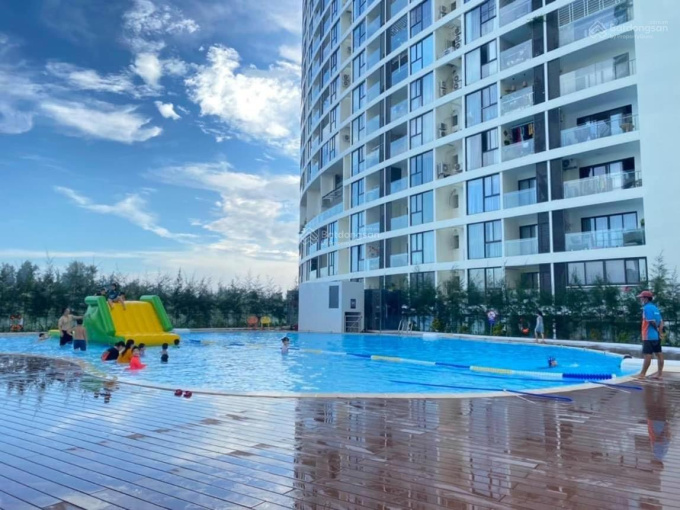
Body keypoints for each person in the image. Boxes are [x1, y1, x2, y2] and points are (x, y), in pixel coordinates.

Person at [637, 290, 664, 379]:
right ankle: (659, 374)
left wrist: (656, 328)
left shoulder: (646, 308)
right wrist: (660, 332)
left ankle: (642, 374)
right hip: (656, 336)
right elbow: (661, 321)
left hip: (648, 336)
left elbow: (651, 321)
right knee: (659, 354)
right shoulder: (655, 308)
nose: (640, 299)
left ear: (646, 298)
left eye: (641, 298)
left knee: (647, 355)